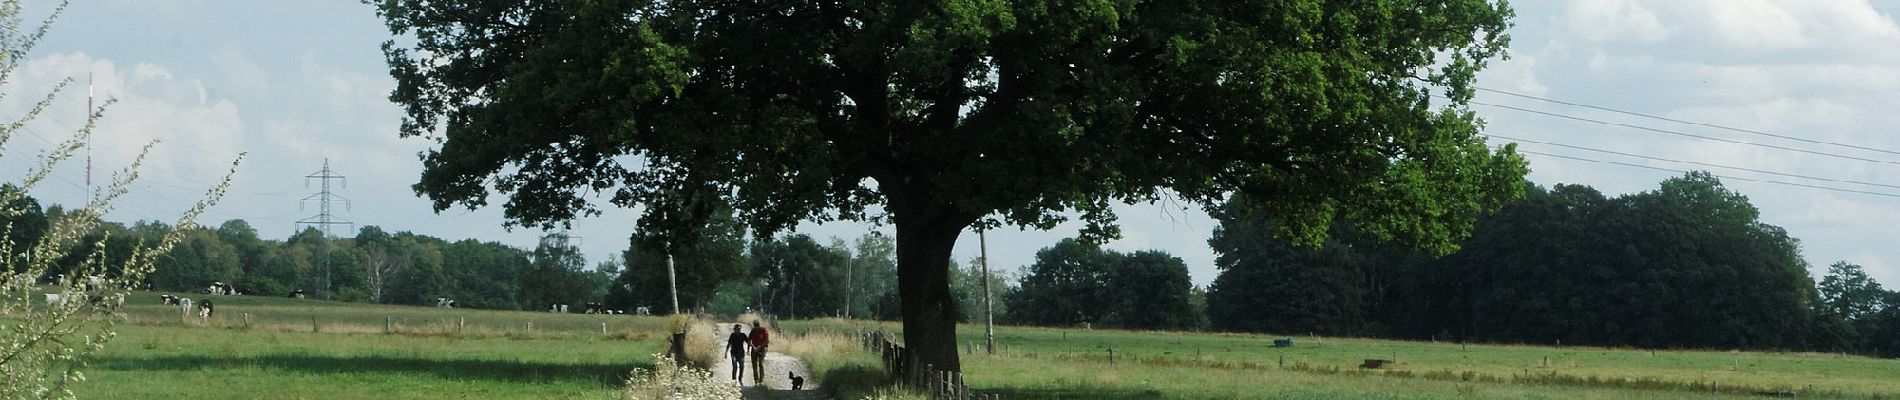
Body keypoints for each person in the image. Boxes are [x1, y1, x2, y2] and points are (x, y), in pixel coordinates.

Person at [747, 320, 770, 385]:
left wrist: (759, 347)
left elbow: (766, 341)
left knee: (760, 364)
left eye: (757, 326)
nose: (756, 328)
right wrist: (751, 348)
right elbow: (749, 340)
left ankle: (761, 379)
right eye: (755, 326)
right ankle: (756, 380)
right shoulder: (753, 331)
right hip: (754, 349)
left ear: (759, 325)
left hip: (762, 349)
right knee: (754, 365)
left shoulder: (764, 331)